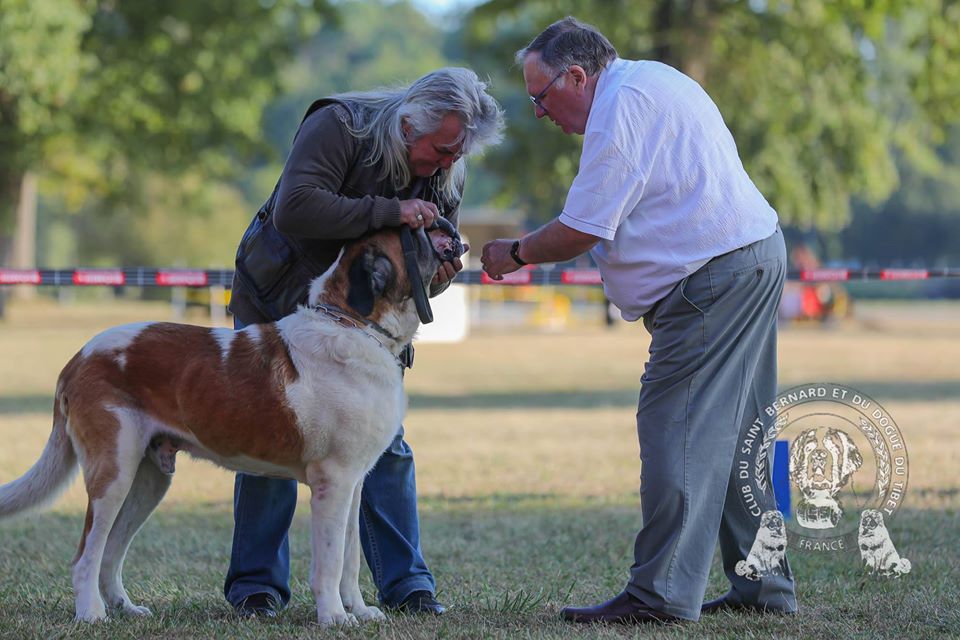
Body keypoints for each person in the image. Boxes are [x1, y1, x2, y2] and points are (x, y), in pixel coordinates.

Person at [481, 17, 798, 623]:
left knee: (673, 429)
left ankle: (660, 596)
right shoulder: (651, 81)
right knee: (738, 436)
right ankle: (764, 588)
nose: (541, 113)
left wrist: (515, 253)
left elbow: (581, 229)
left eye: (540, 97)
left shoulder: (618, 110)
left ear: (577, 75)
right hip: (749, 255)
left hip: (710, 280)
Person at [226, 67, 504, 618]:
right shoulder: (339, 125)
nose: (448, 162)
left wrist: (441, 269)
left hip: (369, 319)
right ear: (408, 123)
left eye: (459, 152)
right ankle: (257, 589)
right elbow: (296, 207)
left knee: (385, 440)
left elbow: (426, 259)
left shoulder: (450, 165)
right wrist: (390, 210)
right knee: (265, 435)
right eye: (442, 148)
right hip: (280, 291)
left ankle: (407, 587)